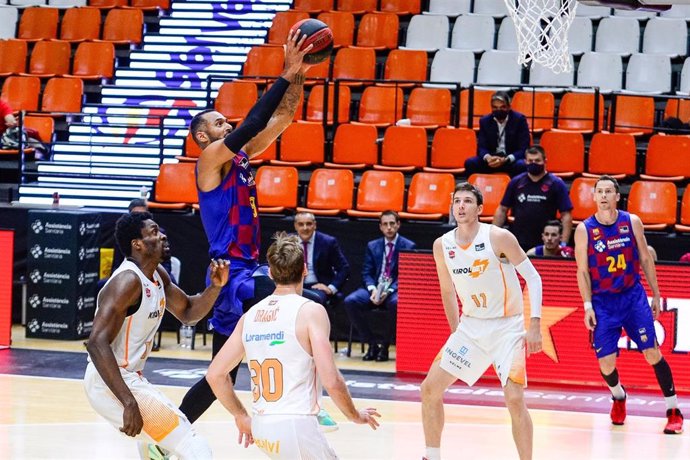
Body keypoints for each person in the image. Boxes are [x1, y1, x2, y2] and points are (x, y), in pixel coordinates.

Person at [178, 29, 340, 433]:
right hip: (230, 274)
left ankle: (170, 432)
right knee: (300, 308)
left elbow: (282, 117)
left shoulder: (242, 158)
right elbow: (253, 122)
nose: (226, 122)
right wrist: (286, 70)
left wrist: (300, 72)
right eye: (218, 122)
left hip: (247, 268)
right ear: (203, 136)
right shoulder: (210, 160)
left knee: (224, 372)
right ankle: (310, 400)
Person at [205, 232, 380, 459]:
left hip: (262, 426)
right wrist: (354, 415)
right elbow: (332, 380)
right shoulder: (311, 311)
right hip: (296, 425)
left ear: (270, 273)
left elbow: (215, 375)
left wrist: (240, 415)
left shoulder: (249, 316)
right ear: (304, 270)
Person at [84, 212, 230, 459]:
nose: (162, 235)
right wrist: (129, 402)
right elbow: (97, 343)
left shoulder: (157, 274)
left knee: (155, 449)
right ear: (137, 244)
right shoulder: (127, 281)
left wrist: (215, 287)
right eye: (153, 232)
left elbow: (188, 312)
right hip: (110, 381)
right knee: (193, 446)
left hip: (129, 378)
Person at [421, 182, 543, 460]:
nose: (461, 206)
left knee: (514, 399)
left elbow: (533, 278)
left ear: (479, 208)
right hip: (471, 328)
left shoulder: (498, 237)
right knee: (429, 389)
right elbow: (447, 289)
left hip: (507, 327)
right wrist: (456, 331)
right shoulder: (442, 245)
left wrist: (534, 324)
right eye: (457, 201)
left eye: (467, 201)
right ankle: (432, 455)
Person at [574, 175, 683, 434]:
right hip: (603, 302)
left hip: (632, 297)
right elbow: (582, 271)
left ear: (616, 196)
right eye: (599, 191)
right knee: (606, 364)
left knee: (652, 353)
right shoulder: (585, 229)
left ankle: (673, 410)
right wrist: (587, 305)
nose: (603, 196)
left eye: (608, 191)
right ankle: (619, 396)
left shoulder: (631, 222)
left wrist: (655, 294)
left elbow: (645, 258)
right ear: (594, 196)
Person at [343, 210, 416, 362]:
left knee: (396, 303)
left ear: (398, 225)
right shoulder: (372, 245)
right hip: (374, 288)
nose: (389, 227)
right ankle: (372, 344)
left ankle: (385, 346)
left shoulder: (408, 245)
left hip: (394, 289)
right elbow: (366, 272)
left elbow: (405, 275)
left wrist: (388, 291)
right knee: (351, 301)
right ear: (380, 227)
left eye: (392, 224)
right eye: (385, 224)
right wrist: (373, 289)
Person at [493, 145, 573, 251]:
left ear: (545, 161)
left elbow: (566, 215)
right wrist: (493, 237)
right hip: (519, 240)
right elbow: (502, 209)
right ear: (525, 161)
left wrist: (563, 243)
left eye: (537, 160)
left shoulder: (556, 183)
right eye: (530, 161)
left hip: (546, 242)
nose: (533, 163)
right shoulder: (516, 182)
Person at [464, 91, 530, 177]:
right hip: (491, 160)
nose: (498, 110)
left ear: (509, 107)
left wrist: (507, 159)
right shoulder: (485, 121)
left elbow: (524, 148)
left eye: (502, 107)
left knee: (522, 165)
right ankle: (476, 189)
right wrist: (488, 158)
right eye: (495, 107)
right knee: (470, 163)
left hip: (510, 160)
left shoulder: (519, 120)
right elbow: (482, 147)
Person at [293, 211, 350, 306]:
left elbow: (344, 268)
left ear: (315, 225)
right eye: (301, 224)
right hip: (293, 286)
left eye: (309, 224)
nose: (305, 228)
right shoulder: (287, 241)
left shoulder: (328, 242)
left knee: (311, 301)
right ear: (295, 226)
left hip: (317, 287)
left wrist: (331, 288)